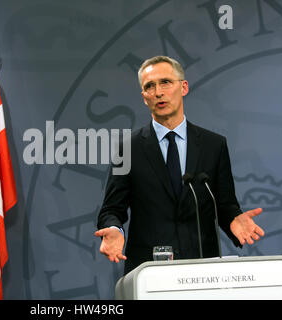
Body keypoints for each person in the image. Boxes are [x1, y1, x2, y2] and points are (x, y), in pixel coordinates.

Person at [95, 56, 265, 275]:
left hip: (202, 269)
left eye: (165, 82)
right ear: (144, 98)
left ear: (183, 87)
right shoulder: (126, 149)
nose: (158, 92)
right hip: (149, 270)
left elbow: (224, 204)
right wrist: (113, 228)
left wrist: (233, 219)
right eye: (150, 87)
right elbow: (112, 208)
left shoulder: (214, 145)